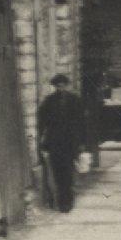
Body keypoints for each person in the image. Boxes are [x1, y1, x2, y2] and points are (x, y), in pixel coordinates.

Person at [35, 73, 89, 213]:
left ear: (66, 85)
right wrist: (41, 141)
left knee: (68, 174)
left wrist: (82, 142)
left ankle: (68, 202)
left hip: (70, 143)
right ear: (54, 86)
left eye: (63, 85)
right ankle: (61, 202)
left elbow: (82, 123)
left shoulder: (75, 101)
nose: (61, 88)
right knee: (58, 174)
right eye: (58, 86)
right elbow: (41, 123)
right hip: (54, 143)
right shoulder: (48, 102)